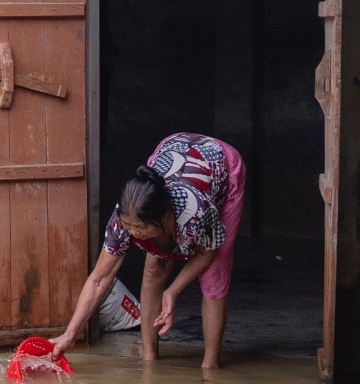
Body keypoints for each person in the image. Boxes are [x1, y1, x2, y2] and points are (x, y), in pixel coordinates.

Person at [50, 132, 246, 370]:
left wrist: (173, 291)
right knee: (155, 266)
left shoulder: (196, 213)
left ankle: (210, 364)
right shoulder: (122, 221)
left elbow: (209, 252)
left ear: (164, 219)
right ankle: (149, 357)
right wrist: (70, 333)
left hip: (221, 163)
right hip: (173, 147)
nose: (132, 234)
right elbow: (100, 279)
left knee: (214, 275)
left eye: (140, 228)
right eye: (128, 226)